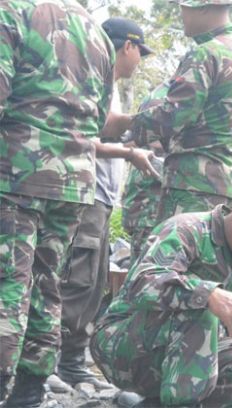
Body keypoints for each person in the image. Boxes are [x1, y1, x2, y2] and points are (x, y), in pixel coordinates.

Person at [90, 174, 232, 408]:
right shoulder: (187, 230)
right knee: (202, 309)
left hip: (180, 363)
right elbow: (142, 283)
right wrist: (208, 294)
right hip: (122, 347)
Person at [0, 1, 114, 405]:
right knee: (47, 282)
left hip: (17, 172)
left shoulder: (15, 11)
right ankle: (30, 391)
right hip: (73, 181)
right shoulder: (97, 33)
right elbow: (98, 116)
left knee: (8, 283)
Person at [56, 17, 157, 390]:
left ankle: (71, 360)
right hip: (86, 193)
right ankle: (53, 359)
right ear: (127, 46)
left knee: (94, 282)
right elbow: (82, 136)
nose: (139, 62)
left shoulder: (108, 83)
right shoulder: (93, 74)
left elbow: (106, 128)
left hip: (102, 197)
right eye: (139, 53)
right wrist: (131, 149)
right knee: (76, 279)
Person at [123, 0, 232, 222]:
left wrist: (126, 123)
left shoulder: (207, 54)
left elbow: (174, 116)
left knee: (178, 253)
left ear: (202, 7)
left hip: (192, 187)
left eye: (183, 6)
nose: (181, 12)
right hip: (225, 187)